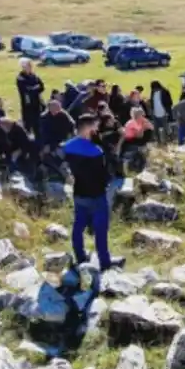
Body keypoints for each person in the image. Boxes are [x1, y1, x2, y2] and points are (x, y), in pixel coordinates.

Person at [63, 114, 117, 272]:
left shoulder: (67, 146)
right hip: (97, 194)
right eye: (94, 126)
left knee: (78, 226)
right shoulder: (95, 151)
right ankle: (104, 262)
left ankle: (80, 257)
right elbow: (104, 174)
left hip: (79, 193)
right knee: (100, 230)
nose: (97, 129)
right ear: (87, 128)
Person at [16, 59, 45, 138]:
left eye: (30, 65)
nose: (30, 67)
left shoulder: (34, 76)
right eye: (28, 66)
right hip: (27, 105)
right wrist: (35, 88)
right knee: (28, 125)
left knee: (38, 125)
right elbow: (26, 90)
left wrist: (33, 88)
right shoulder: (20, 78)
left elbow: (42, 87)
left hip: (37, 104)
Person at [122, 107, 155, 172]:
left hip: (137, 140)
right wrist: (143, 127)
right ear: (136, 116)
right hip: (130, 142)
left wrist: (146, 123)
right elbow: (139, 136)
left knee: (149, 132)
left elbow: (152, 127)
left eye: (143, 115)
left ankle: (145, 164)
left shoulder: (140, 121)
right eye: (141, 115)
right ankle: (140, 167)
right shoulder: (132, 123)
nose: (143, 117)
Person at [149, 80, 173, 145]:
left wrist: (167, 111)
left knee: (166, 128)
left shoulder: (165, 92)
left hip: (163, 113)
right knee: (156, 129)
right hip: (155, 114)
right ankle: (158, 142)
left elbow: (170, 102)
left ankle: (169, 141)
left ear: (157, 87)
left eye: (154, 88)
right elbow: (151, 102)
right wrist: (152, 111)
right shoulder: (152, 92)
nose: (154, 90)